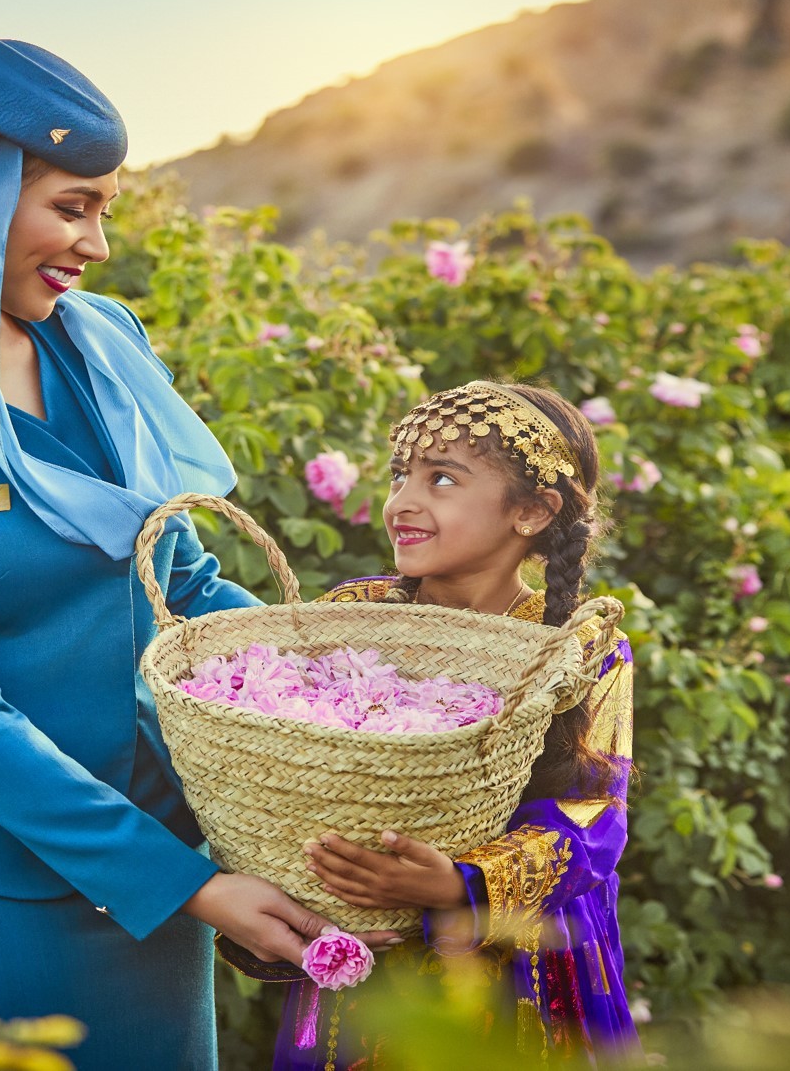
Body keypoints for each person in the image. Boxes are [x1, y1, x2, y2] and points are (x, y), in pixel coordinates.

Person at [0, 37, 381, 1070]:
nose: (94, 244)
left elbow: (179, 582)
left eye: (102, 212)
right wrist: (186, 885)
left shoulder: (93, 339)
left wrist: (333, 705)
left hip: (151, 829)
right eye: (72, 206)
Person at [227, 381, 640, 1069]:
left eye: (441, 478)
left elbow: (596, 819)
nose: (402, 502)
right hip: (365, 951)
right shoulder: (352, 618)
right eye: (399, 475)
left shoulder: (579, 647)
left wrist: (457, 884)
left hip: (514, 968)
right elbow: (290, 767)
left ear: (534, 511)